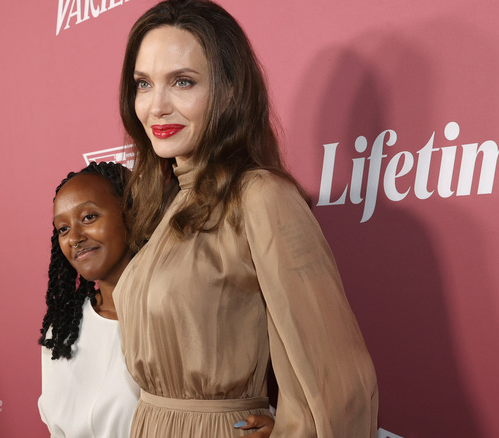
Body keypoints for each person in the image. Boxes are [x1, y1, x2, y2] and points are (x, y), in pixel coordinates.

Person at [114, 1, 379, 437]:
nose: (156, 106)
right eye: (143, 84)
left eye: (182, 82)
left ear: (229, 90)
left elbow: (339, 380)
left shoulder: (261, 196)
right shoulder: (169, 201)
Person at [37, 162, 274, 437]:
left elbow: (220, 406)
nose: (74, 238)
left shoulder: (181, 314)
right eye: (63, 229)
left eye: (89, 217)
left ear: (133, 214)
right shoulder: (62, 332)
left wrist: (280, 429)